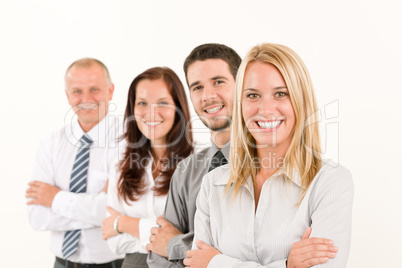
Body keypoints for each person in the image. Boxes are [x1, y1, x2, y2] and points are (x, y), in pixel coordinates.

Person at [184, 43, 354, 268]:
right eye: (253, 95)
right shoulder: (212, 185)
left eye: (281, 93)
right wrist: (288, 265)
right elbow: (197, 263)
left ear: (300, 100)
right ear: (240, 104)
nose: (265, 109)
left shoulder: (330, 181)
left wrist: (216, 262)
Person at [146, 43, 241, 267]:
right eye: (197, 87)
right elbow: (157, 257)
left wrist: (175, 246)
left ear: (243, 85)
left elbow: (248, 253)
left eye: (218, 82)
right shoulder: (186, 170)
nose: (208, 96)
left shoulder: (268, 163)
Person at [26, 58, 124, 267]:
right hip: (61, 262)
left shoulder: (129, 141)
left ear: (110, 90)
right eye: (77, 91)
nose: (86, 98)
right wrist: (97, 212)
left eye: (95, 89)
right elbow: (36, 215)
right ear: (67, 95)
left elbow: (116, 210)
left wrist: (55, 198)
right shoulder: (50, 144)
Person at [102, 67, 193, 268]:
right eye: (142, 103)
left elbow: (195, 241)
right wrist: (166, 240)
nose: (151, 112)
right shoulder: (121, 166)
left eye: (162, 103)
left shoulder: (196, 166)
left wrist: (124, 224)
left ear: (179, 108)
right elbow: (112, 240)